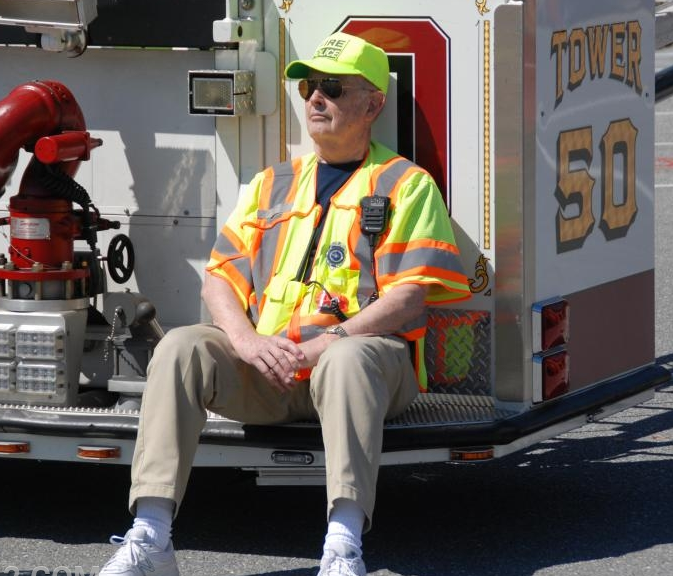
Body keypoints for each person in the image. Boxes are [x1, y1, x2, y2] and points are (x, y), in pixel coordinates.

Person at [99, 32, 471, 576]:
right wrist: (247, 343)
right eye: (309, 87)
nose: (315, 97)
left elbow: (411, 296)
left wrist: (328, 343)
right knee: (179, 346)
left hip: (363, 369)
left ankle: (343, 548)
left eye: (333, 88)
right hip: (270, 367)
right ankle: (151, 539)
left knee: (346, 359)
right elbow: (218, 279)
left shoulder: (406, 185)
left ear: (372, 106)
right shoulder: (271, 182)